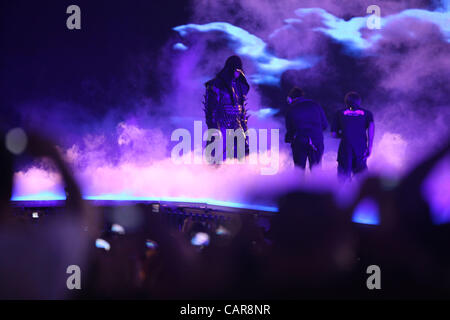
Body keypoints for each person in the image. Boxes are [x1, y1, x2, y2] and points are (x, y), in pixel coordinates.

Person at [203, 55, 250, 161]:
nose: (239, 74)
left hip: (236, 125)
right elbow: (210, 110)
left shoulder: (239, 86)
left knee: (242, 155)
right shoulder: (216, 85)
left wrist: (244, 129)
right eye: (237, 70)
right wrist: (215, 129)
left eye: (240, 71)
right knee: (216, 157)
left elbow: (241, 111)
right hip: (220, 125)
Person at [331, 91, 374, 180]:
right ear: (359, 101)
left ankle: (344, 193)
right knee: (362, 180)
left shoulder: (339, 113)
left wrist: (344, 135)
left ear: (346, 101)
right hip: (361, 148)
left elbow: (333, 134)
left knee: (343, 179)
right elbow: (371, 129)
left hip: (345, 149)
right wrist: (369, 147)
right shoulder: (367, 113)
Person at [284, 87, 328, 170]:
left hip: (300, 142)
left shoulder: (291, 109)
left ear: (290, 98)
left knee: (299, 171)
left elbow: (290, 130)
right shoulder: (316, 105)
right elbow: (325, 125)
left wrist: (288, 139)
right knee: (316, 170)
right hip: (316, 141)